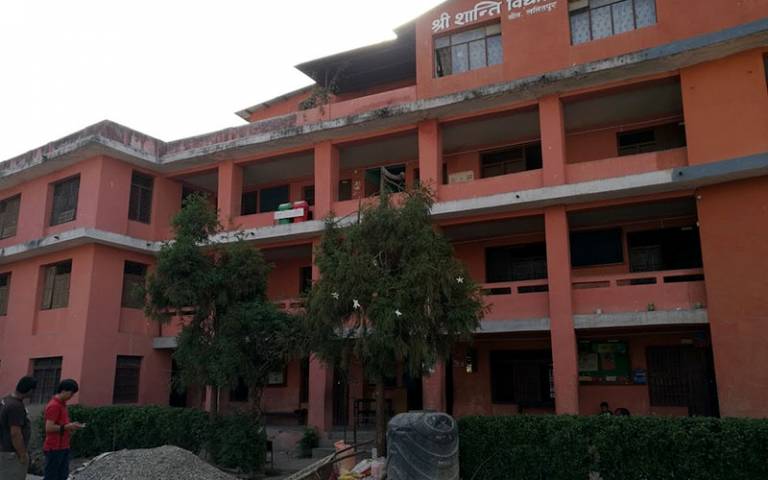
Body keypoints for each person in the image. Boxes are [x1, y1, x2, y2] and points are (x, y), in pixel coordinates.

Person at [43, 379, 84, 480]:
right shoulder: (54, 406)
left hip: (63, 446)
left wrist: (71, 426)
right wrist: (67, 427)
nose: (71, 396)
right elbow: (49, 428)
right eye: (71, 393)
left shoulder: (62, 405)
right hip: (54, 447)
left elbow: (62, 424)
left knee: (62, 475)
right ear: (64, 391)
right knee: (52, 476)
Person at [0, 376, 37, 480]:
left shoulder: (5, 400)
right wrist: (22, 454)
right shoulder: (16, 406)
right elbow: (15, 433)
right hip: (11, 453)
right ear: (30, 390)